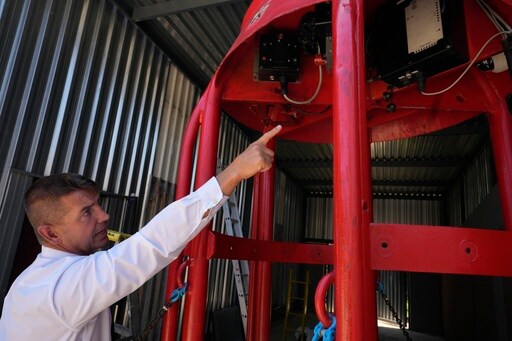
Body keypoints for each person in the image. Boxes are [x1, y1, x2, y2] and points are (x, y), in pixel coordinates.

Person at [0, 125, 282, 340]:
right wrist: (233, 173)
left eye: (97, 205)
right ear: (51, 233)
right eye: (87, 212)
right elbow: (151, 244)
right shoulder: (61, 287)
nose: (104, 215)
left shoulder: (28, 284)